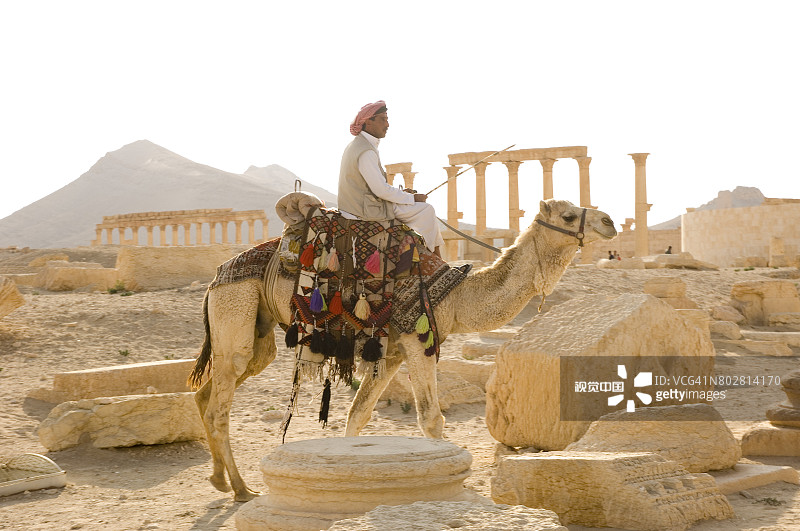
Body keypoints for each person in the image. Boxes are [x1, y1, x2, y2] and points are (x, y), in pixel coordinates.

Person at [338, 100, 444, 257]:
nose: (387, 124)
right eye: (383, 119)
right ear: (368, 121)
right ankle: (435, 260)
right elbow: (381, 190)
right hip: (364, 209)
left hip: (362, 204)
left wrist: (405, 196)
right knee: (426, 210)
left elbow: (376, 187)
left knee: (420, 209)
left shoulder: (359, 145)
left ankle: (430, 257)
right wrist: (412, 198)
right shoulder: (365, 151)